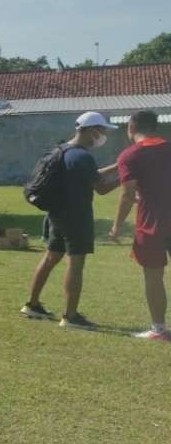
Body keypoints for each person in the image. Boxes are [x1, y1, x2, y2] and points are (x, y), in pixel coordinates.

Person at [21, 111, 120, 329]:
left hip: (57, 214)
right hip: (77, 217)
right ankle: (70, 316)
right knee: (76, 264)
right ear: (91, 130)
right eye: (102, 130)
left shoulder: (64, 150)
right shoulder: (83, 156)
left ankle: (32, 304)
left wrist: (118, 166)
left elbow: (91, 174)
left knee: (50, 258)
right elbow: (101, 188)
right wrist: (126, 176)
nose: (103, 135)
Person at [109, 110, 171, 341]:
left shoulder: (130, 155)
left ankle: (158, 329)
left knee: (153, 276)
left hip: (151, 224)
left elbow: (127, 194)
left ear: (130, 128)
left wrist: (116, 226)